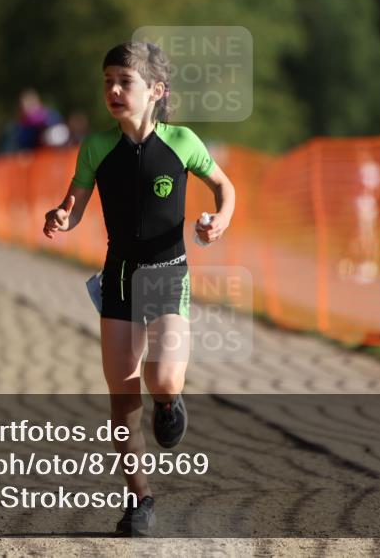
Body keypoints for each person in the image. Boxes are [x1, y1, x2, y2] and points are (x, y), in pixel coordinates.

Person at [42, 42, 236, 535]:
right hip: (120, 277)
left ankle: (170, 403)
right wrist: (62, 216)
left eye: (124, 81)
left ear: (155, 90)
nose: (112, 89)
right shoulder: (96, 147)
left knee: (163, 380)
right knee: (122, 392)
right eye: (107, 79)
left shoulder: (182, 141)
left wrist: (221, 220)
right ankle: (139, 498)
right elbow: (75, 203)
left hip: (169, 274)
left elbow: (224, 187)